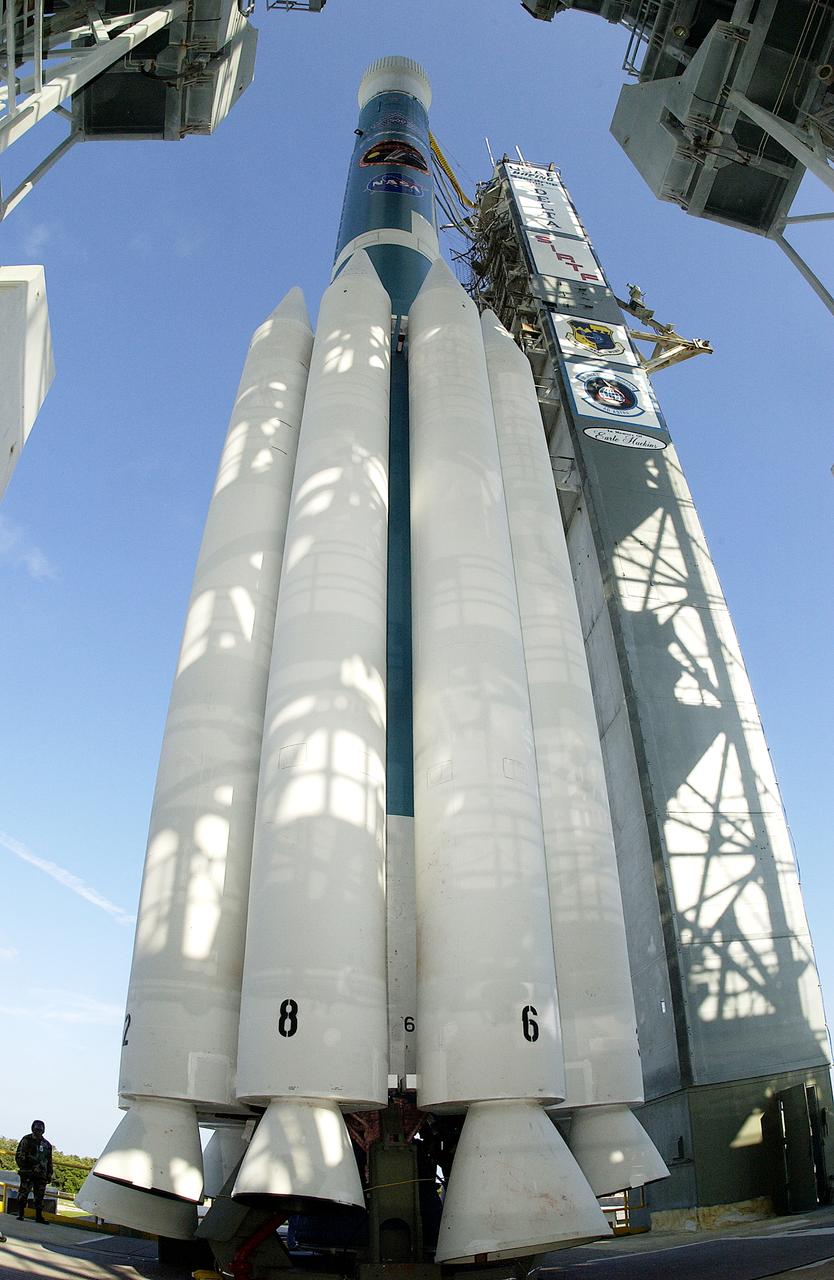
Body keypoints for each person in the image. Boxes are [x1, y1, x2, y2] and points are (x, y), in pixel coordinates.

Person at [15, 1121, 53, 1224]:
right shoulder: (26, 1140)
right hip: (28, 1173)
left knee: (39, 1197)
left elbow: (49, 1161)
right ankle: (20, 1213)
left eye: (40, 1129)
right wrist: (26, 1167)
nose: (38, 1131)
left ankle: (39, 1216)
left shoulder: (47, 1145)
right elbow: (19, 1156)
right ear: (33, 1129)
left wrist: (49, 1174)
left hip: (41, 1175)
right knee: (23, 1194)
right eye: (37, 1129)